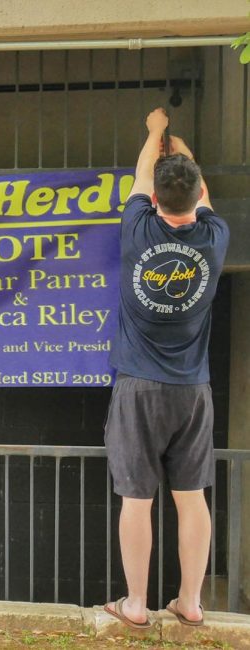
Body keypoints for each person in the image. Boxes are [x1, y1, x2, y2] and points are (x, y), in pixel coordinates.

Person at [102, 108, 229, 628]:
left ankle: (136, 604)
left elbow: (139, 176)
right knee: (191, 497)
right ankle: (191, 602)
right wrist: (181, 145)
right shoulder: (215, 238)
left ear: (154, 199)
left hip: (137, 386)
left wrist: (154, 130)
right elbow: (197, 192)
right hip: (192, 388)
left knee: (137, 499)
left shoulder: (136, 230)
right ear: (198, 196)